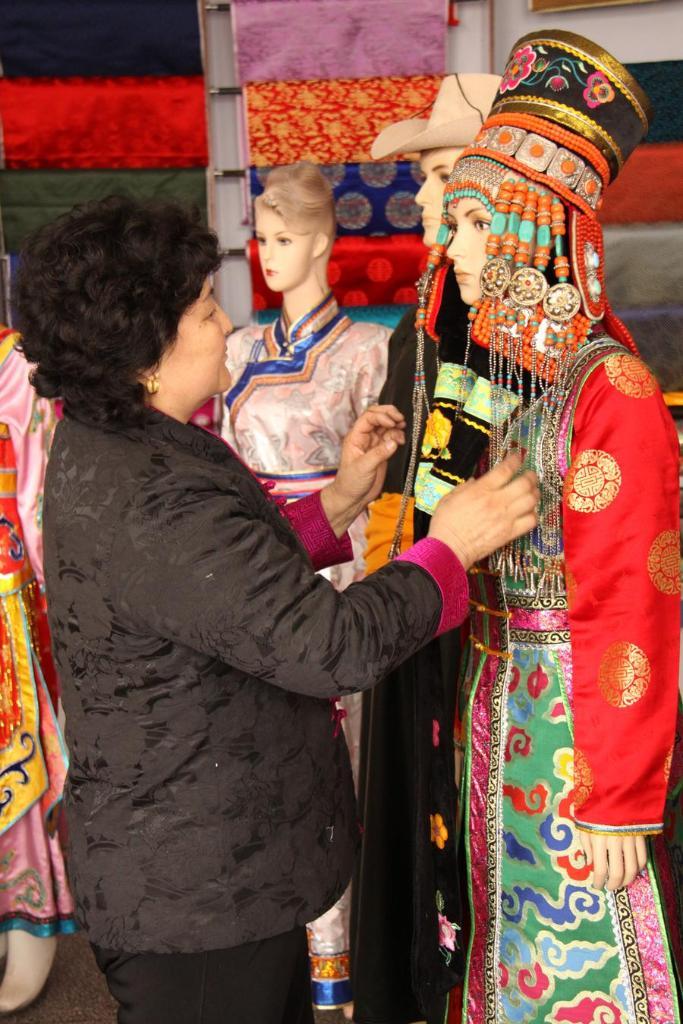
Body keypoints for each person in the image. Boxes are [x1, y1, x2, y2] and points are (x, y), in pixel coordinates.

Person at [13, 195, 538, 1024]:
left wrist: (336, 501)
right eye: (205, 309)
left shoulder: (117, 442)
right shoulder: (151, 492)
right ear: (144, 352)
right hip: (196, 896)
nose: (227, 325)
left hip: (201, 872)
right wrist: (451, 548)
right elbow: (331, 646)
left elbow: (214, 588)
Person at [401, 29, 682, 1022]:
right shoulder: (496, 372)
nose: (453, 247)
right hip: (494, 698)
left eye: (478, 224)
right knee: (499, 941)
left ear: (531, 232)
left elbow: (635, 602)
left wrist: (618, 794)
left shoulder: (611, 392)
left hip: (574, 729)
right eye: (455, 221)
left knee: (582, 958)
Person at [222, 160, 390, 1015]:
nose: (268, 253)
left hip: (334, 569)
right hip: (255, 566)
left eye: (283, 237)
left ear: (322, 241)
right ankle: (272, 954)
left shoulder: (366, 352)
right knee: (258, 755)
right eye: (262, 238)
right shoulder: (237, 350)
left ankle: (340, 965)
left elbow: (380, 482)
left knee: (337, 763)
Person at [351, 72, 500, 1024]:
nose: (427, 199)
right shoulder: (422, 317)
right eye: (426, 179)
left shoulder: (523, 329)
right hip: (416, 601)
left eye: (448, 174)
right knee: (411, 812)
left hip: (491, 626)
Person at [0, 324, 76, 1013]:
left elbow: (37, 500)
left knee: (14, 767)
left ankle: (26, 924)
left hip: (2, 605)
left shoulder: (15, 365)